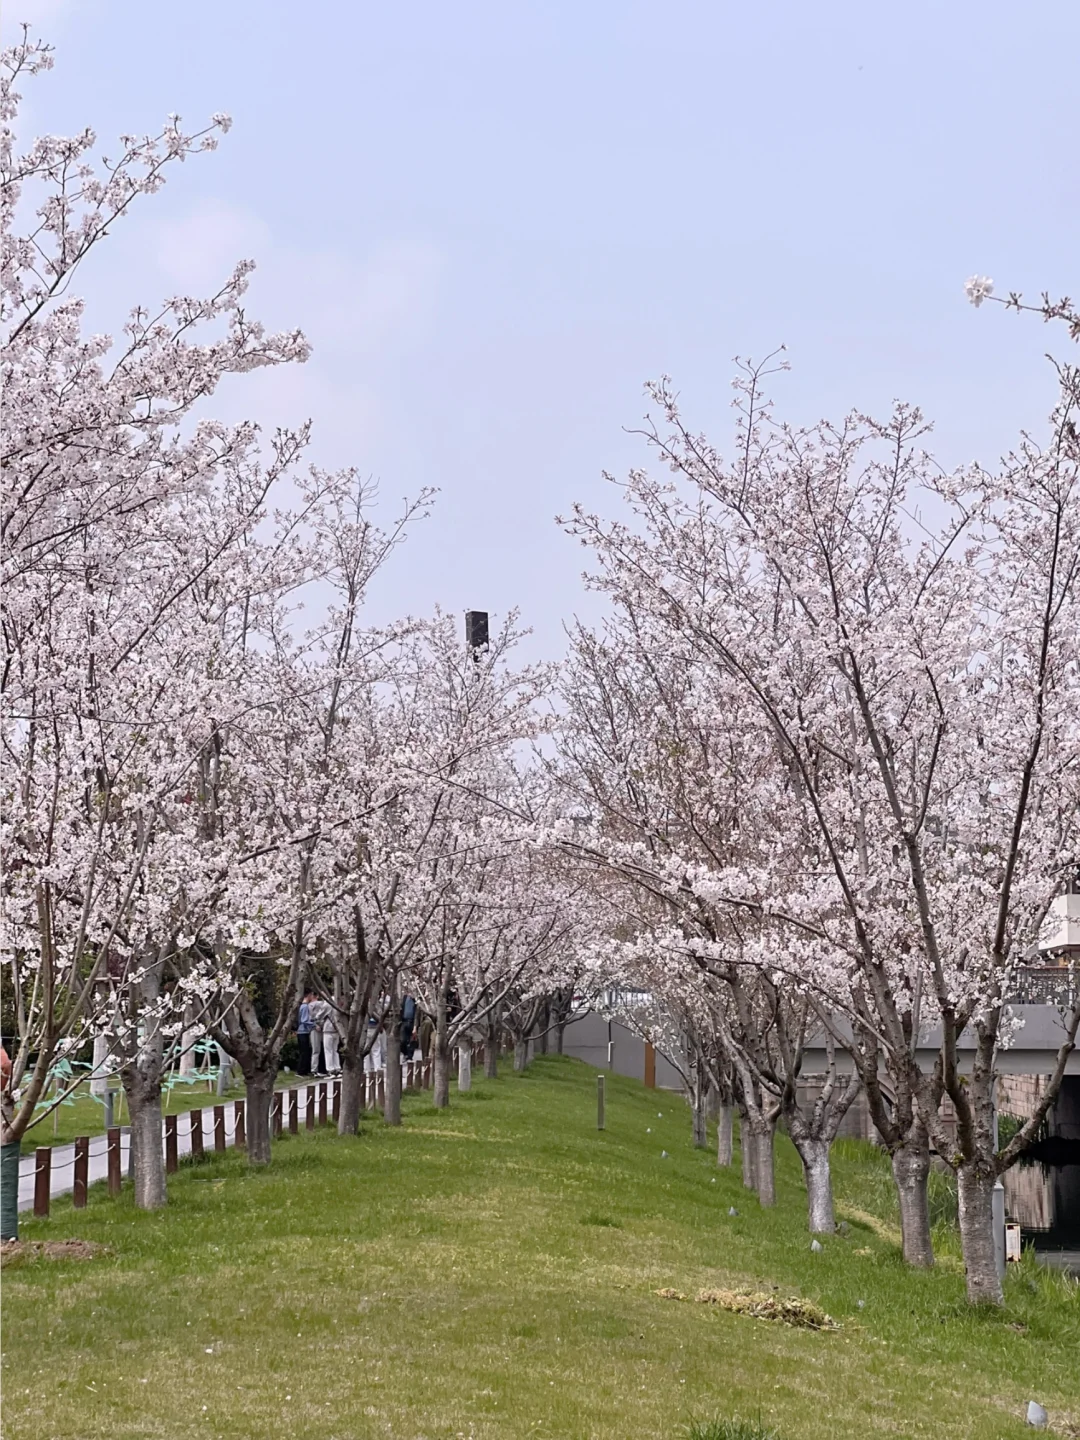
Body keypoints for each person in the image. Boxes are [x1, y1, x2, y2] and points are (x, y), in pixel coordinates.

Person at [296, 990, 315, 1076]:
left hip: (302, 1031)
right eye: (312, 995)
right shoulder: (304, 1007)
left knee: (305, 1051)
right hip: (303, 1031)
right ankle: (301, 1071)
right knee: (304, 1052)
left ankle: (305, 1070)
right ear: (309, 995)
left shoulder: (302, 1006)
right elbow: (304, 1020)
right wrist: (314, 1024)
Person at [322, 1003, 341, 1075]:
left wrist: (319, 1023)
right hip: (337, 1030)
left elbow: (319, 1016)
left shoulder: (326, 1004)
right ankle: (337, 1067)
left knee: (328, 1051)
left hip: (327, 1029)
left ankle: (330, 1069)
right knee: (335, 1050)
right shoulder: (339, 1003)